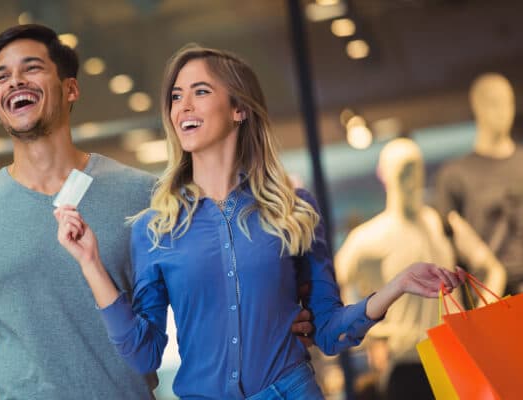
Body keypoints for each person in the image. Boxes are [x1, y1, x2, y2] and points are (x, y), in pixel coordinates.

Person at [54, 45, 466, 399]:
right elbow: (143, 353)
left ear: (238, 109)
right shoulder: (155, 228)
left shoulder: (293, 209)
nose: (184, 106)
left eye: (200, 92)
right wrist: (90, 261)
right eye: (177, 96)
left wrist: (397, 286)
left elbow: (328, 331)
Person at [0, 24, 161, 399]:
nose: (14, 81)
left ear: (71, 88)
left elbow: (196, 303)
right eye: (2, 76)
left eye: (31, 68)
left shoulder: (142, 194)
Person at [335, 138, 505, 400]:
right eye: (404, 169)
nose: (412, 178)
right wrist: (370, 330)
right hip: (408, 364)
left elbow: (493, 268)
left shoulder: (441, 222)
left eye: (417, 169)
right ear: (385, 174)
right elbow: (334, 286)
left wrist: (476, 322)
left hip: (455, 359)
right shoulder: (369, 237)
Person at [435, 72, 523, 295]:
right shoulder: (455, 175)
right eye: (494, 103)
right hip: (488, 295)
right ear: (478, 106)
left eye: (508, 102)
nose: (503, 111)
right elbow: (448, 250)